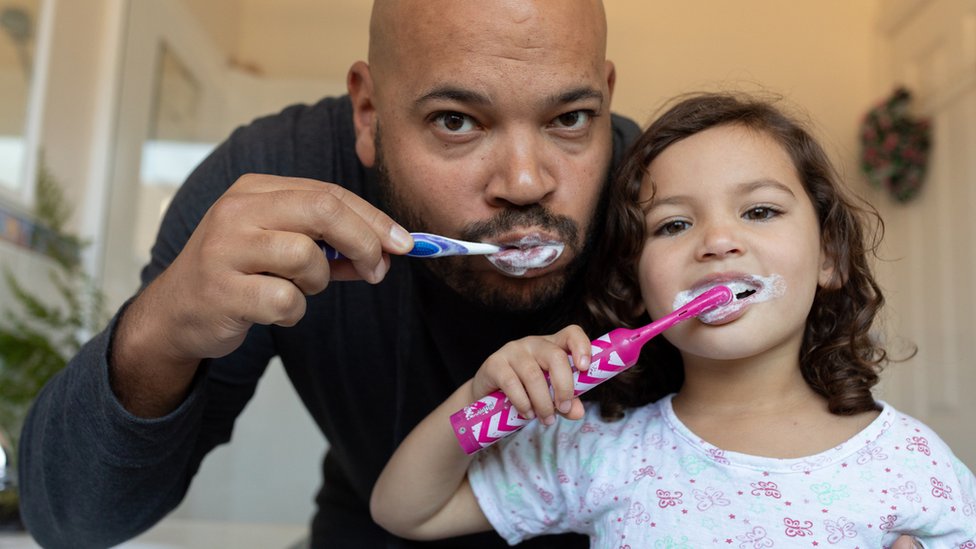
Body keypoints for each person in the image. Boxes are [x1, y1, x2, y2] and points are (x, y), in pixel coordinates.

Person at [17, 1, 641, 547]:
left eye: (570, 119)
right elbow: (72, 524)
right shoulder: (274, 175)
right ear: (368, 112)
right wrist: (161, 330)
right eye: (456, 120)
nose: (526, 182)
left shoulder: (664, 205)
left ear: (606, 95)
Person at [370, 92, 976, 546]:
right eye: (674, 225)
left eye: (760, 210)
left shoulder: (911, 463)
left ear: (831, 258)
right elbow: (405, 511)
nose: (717, 241)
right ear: (637, 287)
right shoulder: (602, 453)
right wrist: (479, 397)